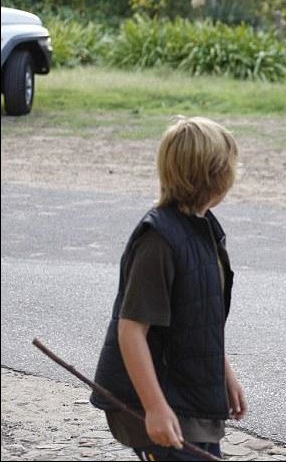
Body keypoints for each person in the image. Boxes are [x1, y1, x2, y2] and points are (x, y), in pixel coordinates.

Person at [89, 116, 246, 461]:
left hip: (192, 397)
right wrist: (155, 408)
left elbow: (198, 317)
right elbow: (131, 331)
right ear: (214, 175)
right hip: (159, 402)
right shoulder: (158, 242)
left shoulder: (204, 229)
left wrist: (224, 372)